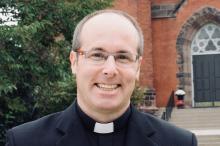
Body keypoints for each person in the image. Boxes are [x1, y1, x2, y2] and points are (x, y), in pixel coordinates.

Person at [6, 9, 197, 146]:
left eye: (123, 57)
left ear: (138, 66)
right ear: (74, 62)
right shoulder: (24, 140)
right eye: (97, 55)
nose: (110, 69)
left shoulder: (179, 142)